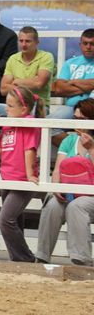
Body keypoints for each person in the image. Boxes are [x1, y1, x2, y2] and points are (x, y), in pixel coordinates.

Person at [0, 86, 44, 262]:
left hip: (22, 179)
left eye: (10, 106)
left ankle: (25, 258)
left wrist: (29, 175)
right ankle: (17, 259)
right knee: (15, 221)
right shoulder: (8, 124)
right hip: (8, 177)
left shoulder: (29, 122)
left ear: (24, 109)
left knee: (5, 219)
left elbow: (29, 149)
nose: (6, 109)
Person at [36, 99, 94, 266]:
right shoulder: (69, 140)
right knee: (53, 204)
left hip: (90, 195)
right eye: (75, 119)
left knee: (77, 206)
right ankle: (42, 256)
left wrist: (91, 148)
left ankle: (81, 259)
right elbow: (57, 170)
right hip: (70, 192)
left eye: (81, 119)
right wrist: (56, 188)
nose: (76, 123)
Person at [0, 27, 53, 118]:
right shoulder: (13, 58)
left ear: (37, 42)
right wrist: (30, 82)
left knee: (28, 116)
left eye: (28, 41)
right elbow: (3, 89)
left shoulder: (46, 57)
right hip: (12, 106)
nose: (24, 44)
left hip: (37, 106)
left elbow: (39, 83)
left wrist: (17, 81)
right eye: (21, 41)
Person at [48, 29, 94, 146]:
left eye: (92, 44)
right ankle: (75, 148)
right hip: (71, 108)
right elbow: (59, 89)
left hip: (92, 107)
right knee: (48, 124)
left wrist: (73, 82)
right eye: (85, 43)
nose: (88, 47)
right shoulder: (70, 63)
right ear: (80, 45)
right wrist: (89, 86)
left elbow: (65, 86)